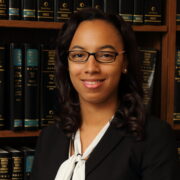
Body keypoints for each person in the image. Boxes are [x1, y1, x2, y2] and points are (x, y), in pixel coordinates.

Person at [30, 8, 179, 180]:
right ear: (67, 63)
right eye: (79, 55)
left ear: (124, 62)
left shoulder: (154, 137)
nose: (91, 68)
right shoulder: (49, 138)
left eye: (106, 55)